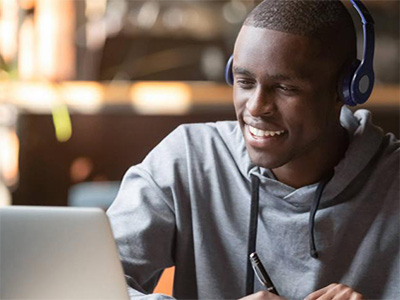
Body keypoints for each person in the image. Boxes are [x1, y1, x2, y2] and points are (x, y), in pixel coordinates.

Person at [107, 1, 399, 299]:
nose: (256, 106)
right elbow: (83, 286)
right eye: (245, 82)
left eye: (285, 88)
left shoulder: (393, 180)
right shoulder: (188, 160)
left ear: (347, 89)